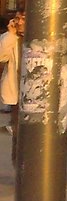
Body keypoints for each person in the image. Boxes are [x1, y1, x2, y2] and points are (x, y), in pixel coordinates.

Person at [0, 12, 24, 161]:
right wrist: (10, 34)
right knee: (19, 136)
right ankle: (20, 170)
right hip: (17, 94)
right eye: (17, 19)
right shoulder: (12, 39)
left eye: (23, 19)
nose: (19, 22)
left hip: (38, 96)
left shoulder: (43, 36)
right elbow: (1, 56)